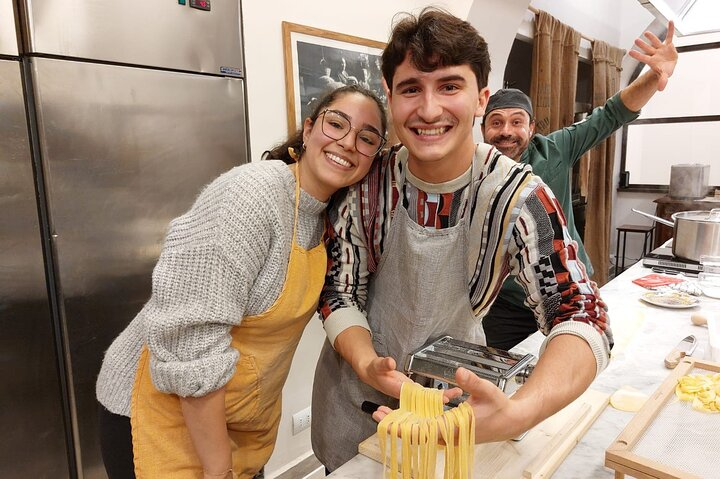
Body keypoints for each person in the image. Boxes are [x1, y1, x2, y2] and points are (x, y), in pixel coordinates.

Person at [311, 7, 613, 471]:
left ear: (479, 99)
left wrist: (519, 411)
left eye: (450, 86)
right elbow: (339, 291)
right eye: (411, 89)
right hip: (353, 401)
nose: (429, 110)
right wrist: (368, 362)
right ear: (390, 96)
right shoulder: (365, 183)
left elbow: (579, 313)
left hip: (455, 405)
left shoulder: (517, 196)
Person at [95, 84, 387, 479]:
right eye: (337, 124)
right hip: (164, 409)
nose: (348, 143)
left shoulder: (331, 218)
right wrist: (219, 470)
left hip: (237, 421)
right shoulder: (252, 195)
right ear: (308, 129)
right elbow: (192, 344)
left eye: (366, 138)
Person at [481, 21, 678, 350]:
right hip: (505, 306)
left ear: (531, 127)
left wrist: (653, 75)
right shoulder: (475, 171)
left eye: (516, 122)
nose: (506, 131)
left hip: (568, 294)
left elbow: (611, 114)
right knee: (499, 383)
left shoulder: (555, 150)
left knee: (579, 377)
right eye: (496, 122)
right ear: (483, 128)